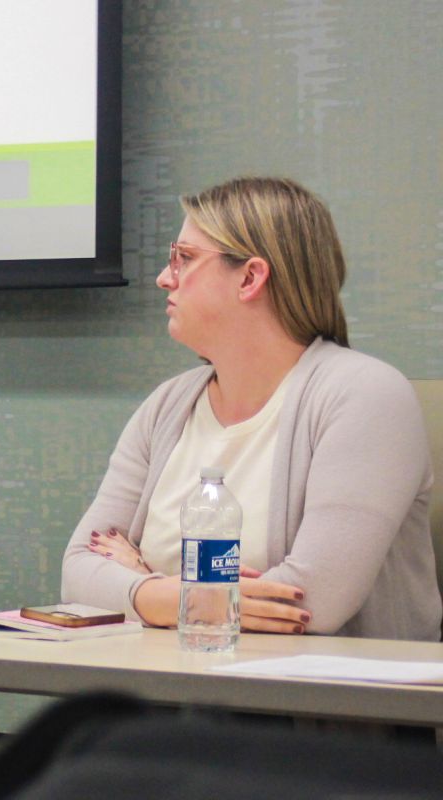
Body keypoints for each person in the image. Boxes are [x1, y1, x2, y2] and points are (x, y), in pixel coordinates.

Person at [61, 176, 441, 642]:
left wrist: (145, 586)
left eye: (185, 258)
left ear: (250, 277)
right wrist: (182, 598)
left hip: (305, 707)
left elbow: (313, 601)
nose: (165, 277)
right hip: (168, 694)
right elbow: (78, 572)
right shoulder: (167, 405)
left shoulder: (367, 395)